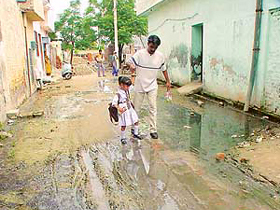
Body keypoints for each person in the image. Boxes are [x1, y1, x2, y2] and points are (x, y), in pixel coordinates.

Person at [128, 35, 171, 139]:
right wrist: (131, 66)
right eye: (151, 46)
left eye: (155, 48)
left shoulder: (160, 56)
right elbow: (129, 61)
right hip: (139, 85)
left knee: (153, 107)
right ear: (148, 44)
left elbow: (164, 69)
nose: (153, 49)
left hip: (152, 85)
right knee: (136, 108)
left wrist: (168, 81)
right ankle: (134, 128)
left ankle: (153, 130)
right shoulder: (139, 54)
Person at [112, 76, 142, 145]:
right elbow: (114, 103)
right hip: (124, 110)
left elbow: (132, 84)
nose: (128, 87)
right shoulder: (118, 93)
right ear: (121, 85)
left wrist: (133, 73)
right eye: (126, 86)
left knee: (136, 121)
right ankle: (122, 137)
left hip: (130, 108)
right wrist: (119, 108)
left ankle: (136, 133)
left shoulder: (127, 89)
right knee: (123, 125)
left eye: (128, 86)